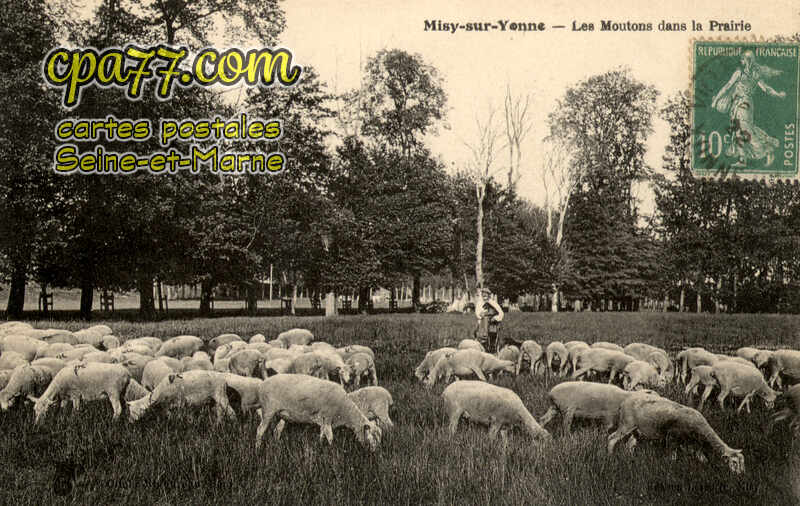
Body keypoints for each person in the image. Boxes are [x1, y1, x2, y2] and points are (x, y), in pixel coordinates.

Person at [711, 50, 786, 166]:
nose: (741, 61)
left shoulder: (742, 73)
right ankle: (742, 159)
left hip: (744, 104)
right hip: (739, 104)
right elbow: (767, 89)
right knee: (737, 130)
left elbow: (727, 87)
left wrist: (716, 100)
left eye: (743, 59)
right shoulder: (752, 74)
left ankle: (768, 151)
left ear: (747, 61)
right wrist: (778, 94)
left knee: (746, 130)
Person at [474, 288, 504, 353]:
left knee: (491, 330)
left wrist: (495, 318)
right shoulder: (479, 303)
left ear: (489, 295)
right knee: (482, 323)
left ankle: (492, 347)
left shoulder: (493, 303)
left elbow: (501, 313)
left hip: (492, 323)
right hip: (482, 322)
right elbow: (477, 313)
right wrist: (481, 315)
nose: (484, 297)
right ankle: (482, 342)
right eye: (483, 295)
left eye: (486, 295)